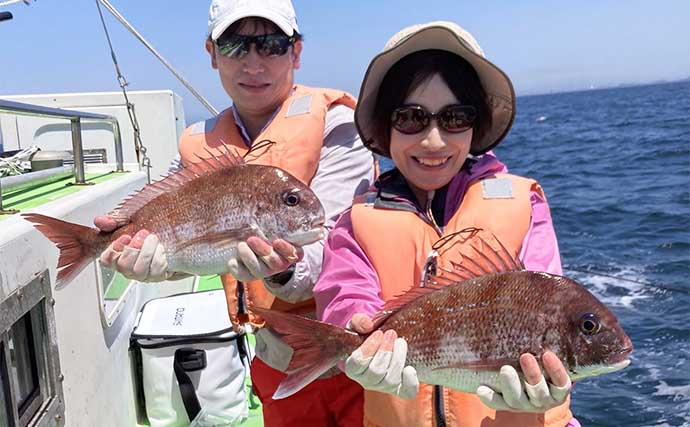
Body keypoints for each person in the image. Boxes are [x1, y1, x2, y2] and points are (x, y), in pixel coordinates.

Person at [96, 0, 374, 425]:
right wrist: (151, 266)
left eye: (271, 44)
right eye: (235, 45)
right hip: (274, 355)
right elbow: (184, 243)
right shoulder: (198, 147)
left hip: (354, 358)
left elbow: (337, 246)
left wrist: (280, 271)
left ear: (295, 52)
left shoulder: (337, 127)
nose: (253, 62)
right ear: (212, 53)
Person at [313, 21, 580, 426]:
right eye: (410, 118)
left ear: (477, 126)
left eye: (455, 117)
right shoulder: (357, 221)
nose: (434, 140)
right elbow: (345, 295)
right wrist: (355, 328)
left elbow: (544, 300)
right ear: (385, 126)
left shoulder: (524, 205)